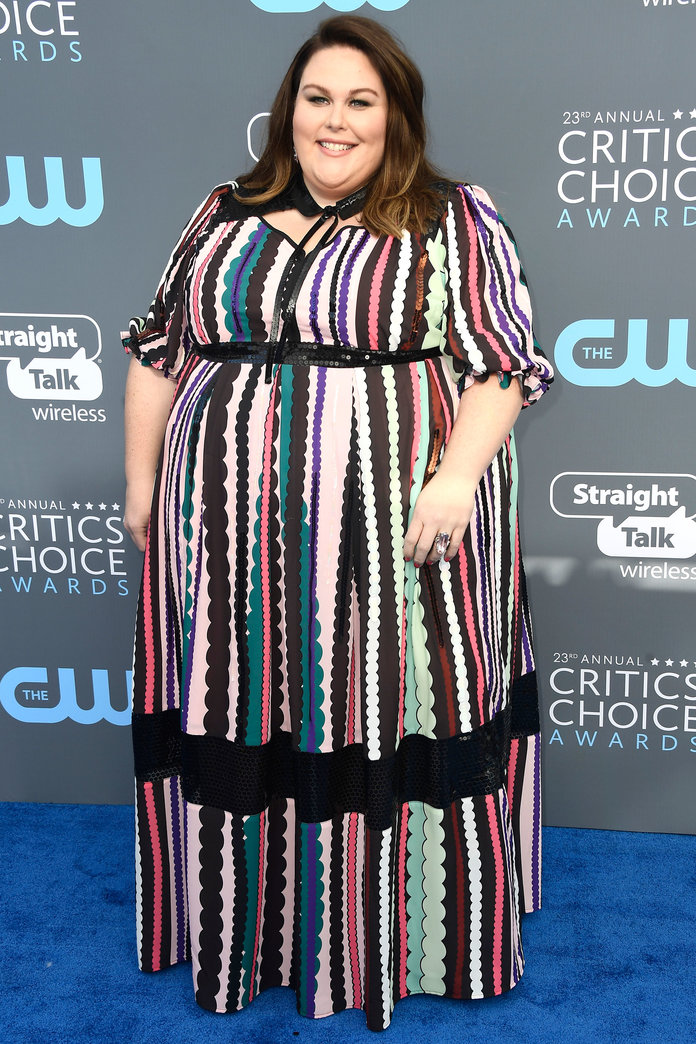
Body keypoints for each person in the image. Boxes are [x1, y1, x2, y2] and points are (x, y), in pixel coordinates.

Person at [122, 14, 553, 1032]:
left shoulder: (451, 217)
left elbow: (503, 365)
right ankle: (251, 933)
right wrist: (142, 483)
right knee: (243, 705)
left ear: (394, 115)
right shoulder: (223, 210)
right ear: (289, 109)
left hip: (399, 530)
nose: (335, 119)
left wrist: (453, 481)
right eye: (318, 97)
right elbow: (157, 348)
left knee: (391, 702)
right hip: (223, 531)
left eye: (362, 100)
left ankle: (396, 939)